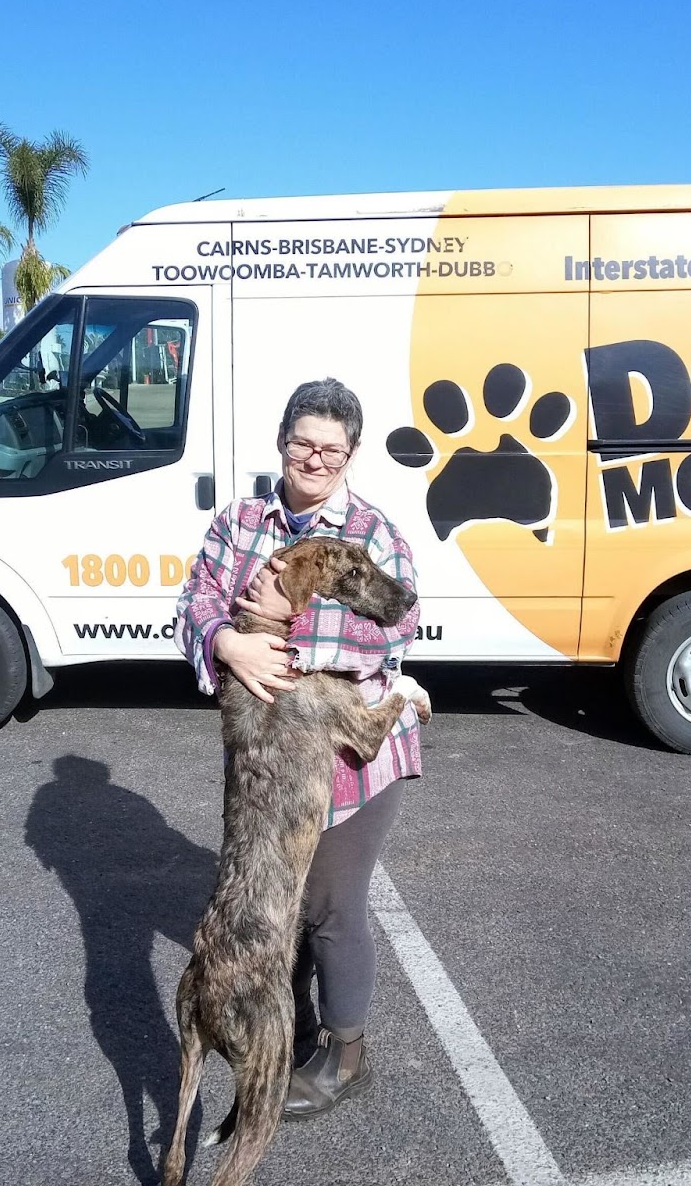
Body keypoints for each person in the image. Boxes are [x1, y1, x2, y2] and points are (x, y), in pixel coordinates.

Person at [174, 377, 423, 1121]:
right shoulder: (241, 521)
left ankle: (345, 1058)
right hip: (265, 754)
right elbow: (195, 600)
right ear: (282, 443)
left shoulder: (372, 534)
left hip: (350, 751)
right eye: (302, 443)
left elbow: (399, 624)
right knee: (283, 908)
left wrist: (289, 623)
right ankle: (295, 1031)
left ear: (351, 455)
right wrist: (229, 643)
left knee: (329, 906)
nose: (315, 459)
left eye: (331, 449)